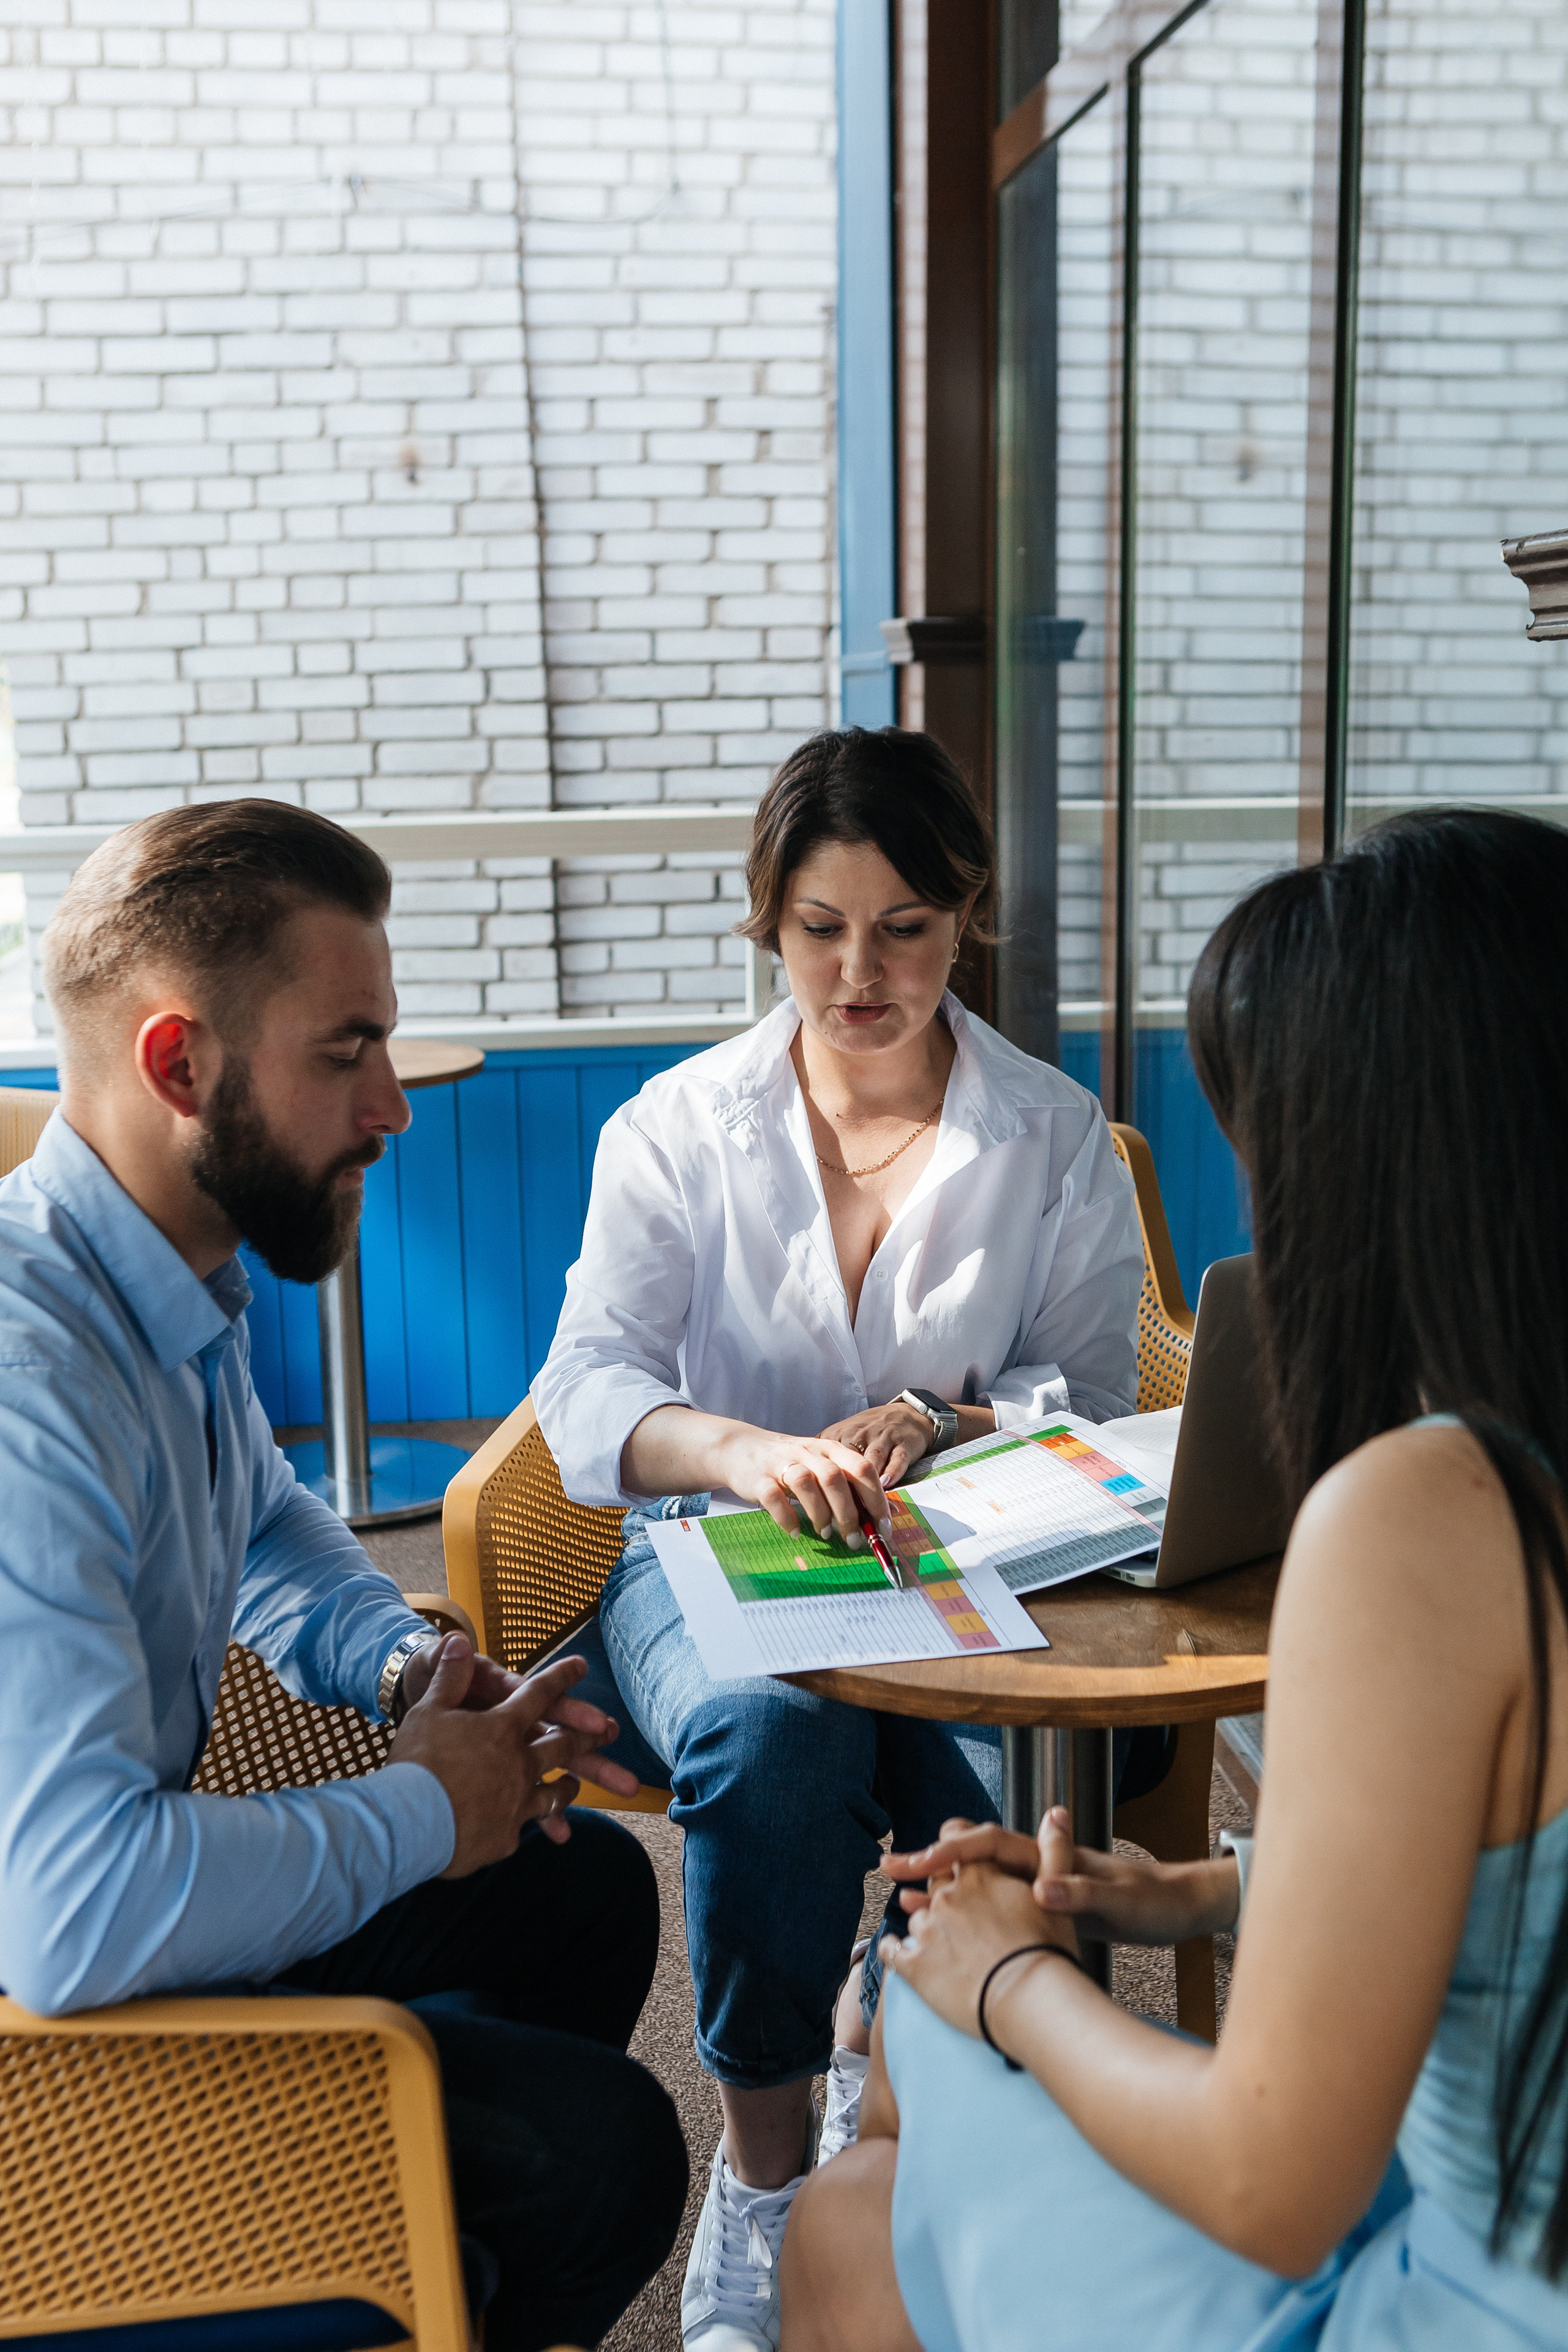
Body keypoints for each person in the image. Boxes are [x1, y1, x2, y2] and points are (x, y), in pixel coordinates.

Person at [779, 804, 1568, 2352]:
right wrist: (1214, 1888)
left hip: (1465, 2297)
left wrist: (1014, 1981)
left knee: (877, 2128)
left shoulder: (1425, 1514)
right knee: (894, 2151)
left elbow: (1268, 2179)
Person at [0, 801, 687, 2352]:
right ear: (181, 1066)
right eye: (344, 1052)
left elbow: (262, 1522)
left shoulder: (165, 1279)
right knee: (609, 2156)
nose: (390, 1104)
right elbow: (73, 1915)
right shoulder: (26, 1385)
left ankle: (404, 2250)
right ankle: (343, 2221)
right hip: (38, 2067)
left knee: (575, 1894)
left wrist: (397, 1667)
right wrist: (422, 1810)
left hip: (104, 1952)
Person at [533, 726, 1144, 2351]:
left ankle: (897, 2089)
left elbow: (1084, 1395)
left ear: (967, 917)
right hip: (696, 1550)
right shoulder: (674, 1129)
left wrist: (937, 1421)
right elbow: (590, 1387)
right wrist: (744, 1452)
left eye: (905, 929)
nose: (860, 971)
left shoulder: (1053, 1136)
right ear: (770, 919)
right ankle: (770, 2180)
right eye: (821, 927)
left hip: (953, 1558)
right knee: (773, 1738)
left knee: (970, 1789)